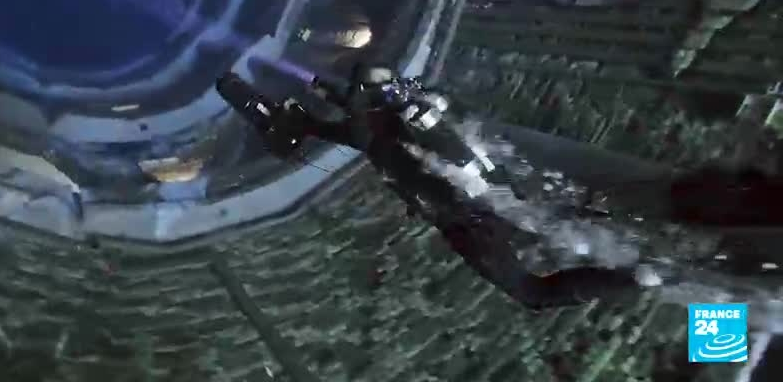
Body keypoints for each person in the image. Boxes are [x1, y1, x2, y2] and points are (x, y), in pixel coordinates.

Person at [217, 64, 641, 309]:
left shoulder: (398, 125)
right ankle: (628, 269)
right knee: (537, 261)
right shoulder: (406, 122)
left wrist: (350, 103)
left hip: (469, 210)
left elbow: (374, 133)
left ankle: (629, 271)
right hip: (473, 203)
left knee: (535, 272)